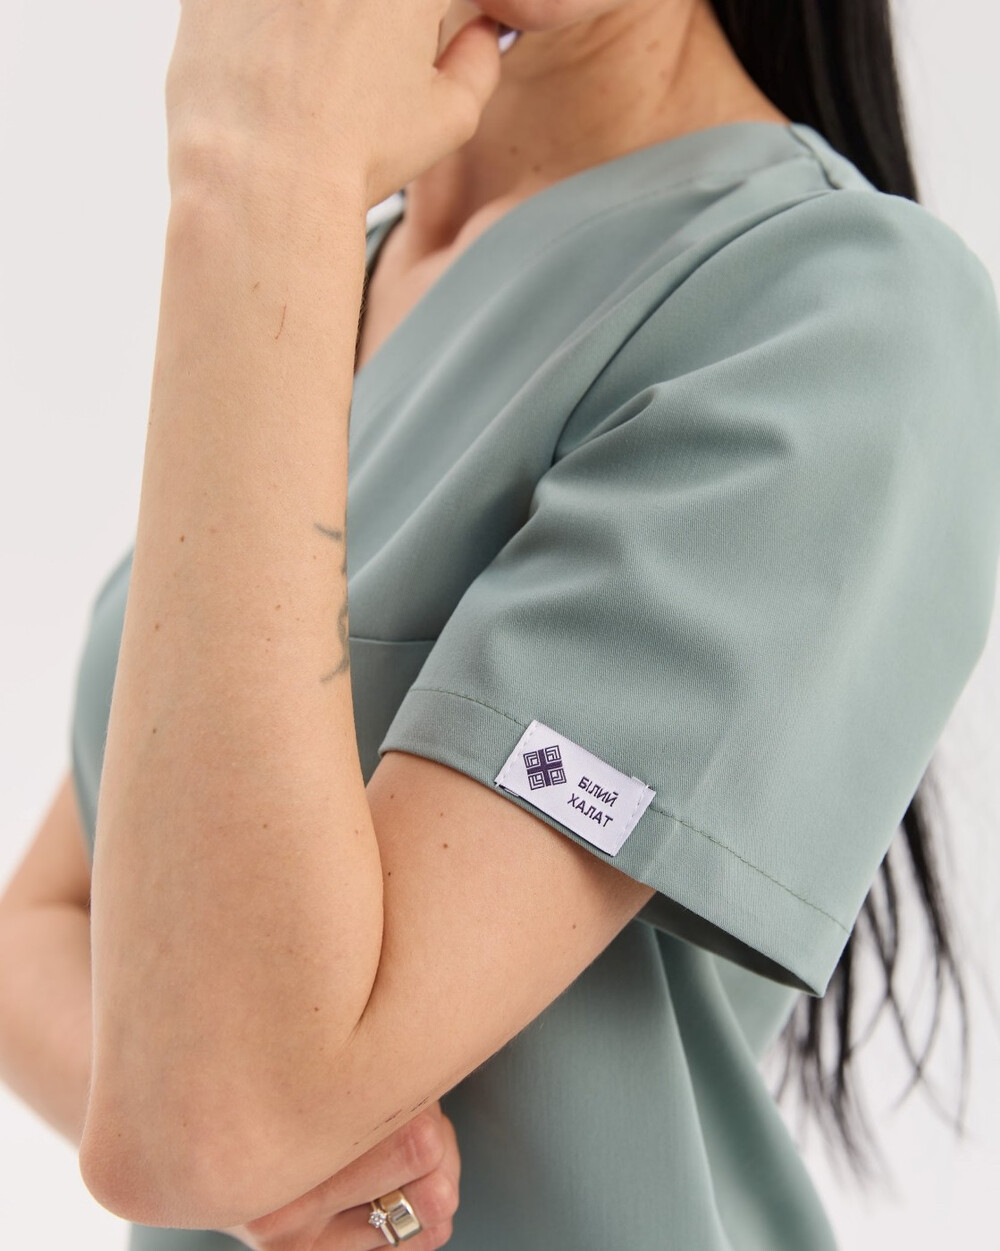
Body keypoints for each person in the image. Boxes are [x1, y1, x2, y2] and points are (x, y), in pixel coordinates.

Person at [1, 0, 998, 1248]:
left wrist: (255, 168)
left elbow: (214, 1115)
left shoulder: (831, 310)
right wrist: (254, 1151)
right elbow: (40, 934)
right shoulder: (323, 264)